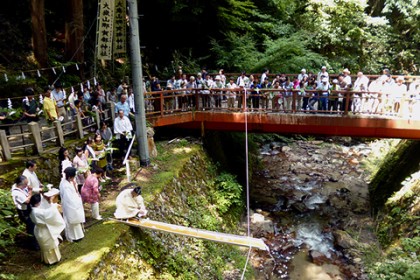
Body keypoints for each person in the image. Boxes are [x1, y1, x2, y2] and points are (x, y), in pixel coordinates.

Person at [29, 192, 65, 265]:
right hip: (44, 230)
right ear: (37, 203)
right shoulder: (37, 212)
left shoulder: (33, 209)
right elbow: (49, 213)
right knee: (49, 246)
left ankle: (51, 259)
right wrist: (51, 202)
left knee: (48, 246)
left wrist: (50, 203)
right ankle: (52, 260)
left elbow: (46, 211)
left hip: (40, 230)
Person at [11, 175, 38, 250]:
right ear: (20, 184)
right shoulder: (16, 193)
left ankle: (34, 242)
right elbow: (26, 201)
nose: (27, 186)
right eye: (25, 184)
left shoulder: (18, 186)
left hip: (27, 209)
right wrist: (30, 192)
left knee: (32, 226)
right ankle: (34, 245)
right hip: (24, 212)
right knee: (31, 227)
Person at [59, 167, 85, 242]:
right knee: (72, 221)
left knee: (75, 223)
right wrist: (78, 200)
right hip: (70, 206)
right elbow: (69, 199)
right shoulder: (65, 185)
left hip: (72, 204)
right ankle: (73, 237)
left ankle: (78, 236)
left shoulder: (67, 182)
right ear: (70, 177)